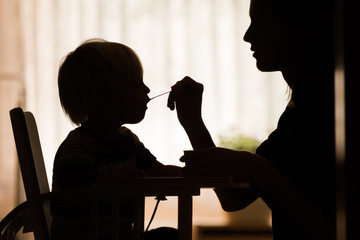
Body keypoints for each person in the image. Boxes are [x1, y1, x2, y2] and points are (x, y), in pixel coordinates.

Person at [167, 0, 335, 239]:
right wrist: (193, 121)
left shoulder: (327, 115)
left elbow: (331, 228)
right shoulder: (294, 118)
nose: (247, 36)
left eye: (261, 25)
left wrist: (255, 166)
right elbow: (233, 198)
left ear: (299, 31)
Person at [51, 38, 181, 240]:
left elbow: (159, 171)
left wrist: (194, 171)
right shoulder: (78, 148)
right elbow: (74, 198)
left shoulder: (127, 141)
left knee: (172, 236)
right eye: (138, 84)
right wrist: (118, 184)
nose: (147, 90)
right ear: (108, 99)